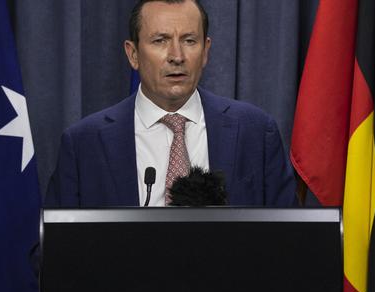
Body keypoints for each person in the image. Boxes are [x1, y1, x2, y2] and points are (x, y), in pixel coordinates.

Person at [45, 0, 296, 207]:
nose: (177, 56)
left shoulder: (256, 131)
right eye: (160, 40)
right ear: (133, 54)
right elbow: (53, 251)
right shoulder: (83, 144)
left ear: (206, 51)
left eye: (189, 40)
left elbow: (289, 239)